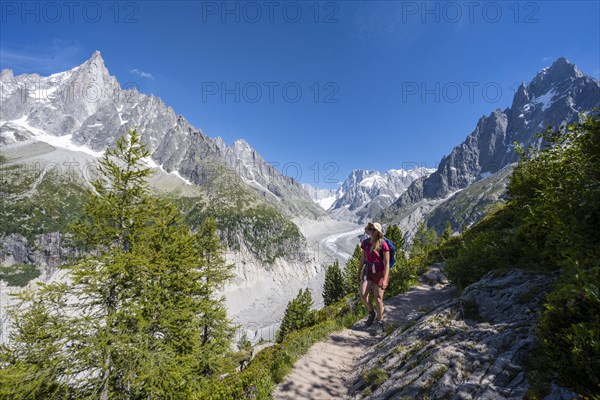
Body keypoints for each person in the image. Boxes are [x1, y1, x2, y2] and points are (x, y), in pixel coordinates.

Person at [358, 222, 390, 335]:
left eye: (374, 229)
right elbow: (362, 258)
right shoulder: (365, 243)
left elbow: (386, 263)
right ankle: (372, 312)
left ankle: (380, 322)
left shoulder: (383, 244)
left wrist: (385, 278)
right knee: (363, 294)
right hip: (368, 271)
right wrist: (359, 271)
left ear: (378, 232)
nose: (372, 231)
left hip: (380, 273)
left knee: (378, 298)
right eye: (370, 229)